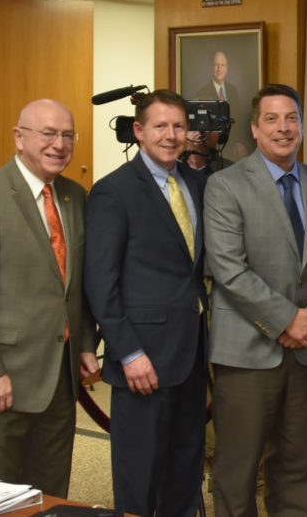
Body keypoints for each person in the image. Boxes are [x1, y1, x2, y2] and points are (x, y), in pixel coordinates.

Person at [204, 84, 307, 517]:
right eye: (272, 119)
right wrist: (287, 320)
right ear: (255, 127)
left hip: (305, 350)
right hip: (246, 351)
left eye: (292, 119)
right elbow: (228, 268)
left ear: (301, 125)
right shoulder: (225, 185)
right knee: (238, 466)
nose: (284, 128)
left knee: (298, 464)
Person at [0, 100, 97, 496]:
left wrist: (85, 344)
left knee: (48, 496)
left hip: (60, 382)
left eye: (68, 135)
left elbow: (77, 285)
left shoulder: (74, 196)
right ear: (19, 138)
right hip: (0, 384)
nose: (60, 144)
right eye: (48, 133)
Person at [84, 90, 208, 517]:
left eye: (178, 126)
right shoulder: (112, 191)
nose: (171, 136)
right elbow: (101, 283)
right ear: (139, 131)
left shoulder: (195, 182)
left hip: (191, 352)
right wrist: (129, 352)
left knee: (185, 469)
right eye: (160, 126)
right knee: (139, 473)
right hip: (143, 360)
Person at [192, 51, 249, 158]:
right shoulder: (201, 92)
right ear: (211, 67)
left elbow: (238, 119)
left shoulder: (233, 90)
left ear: (226, 68)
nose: (219, 69)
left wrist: (238, 142)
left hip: (233, 146)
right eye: (216, 65)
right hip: (210, 149)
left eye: (222, 65)